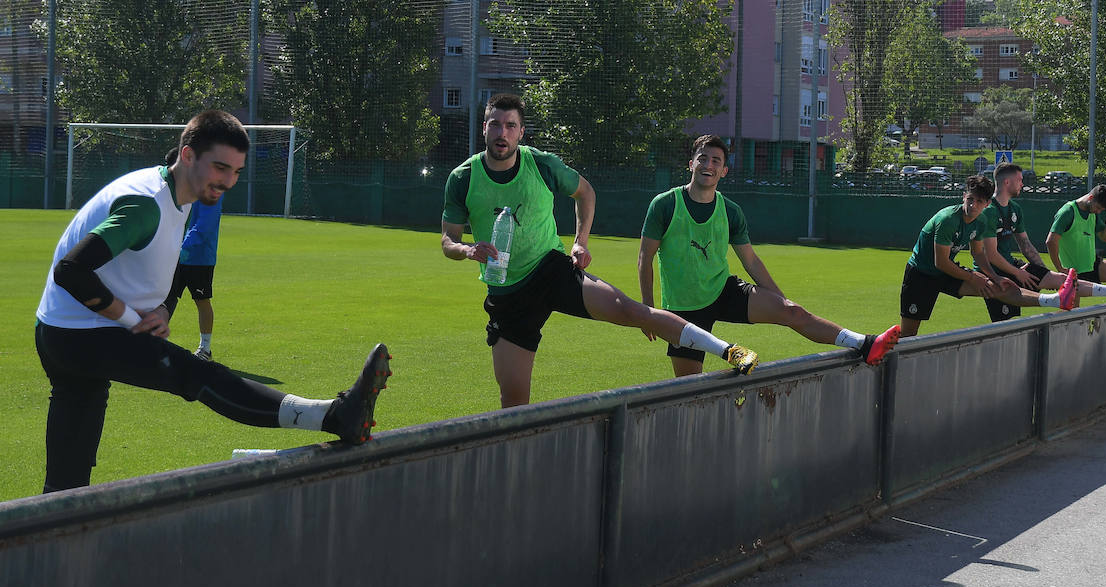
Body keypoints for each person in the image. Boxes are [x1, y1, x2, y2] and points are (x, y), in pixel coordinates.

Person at [35, 110, 388, 493]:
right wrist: (128, 316)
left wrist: (162, 309)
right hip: (79, 334)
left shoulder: (180, 192)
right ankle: (335, 416)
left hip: (65, 331)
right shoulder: (145, 204)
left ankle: (49, 533)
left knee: (69, 475)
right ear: (188, 155)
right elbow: (70, 270)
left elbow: (165, 260)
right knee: (195, 374)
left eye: (236, 171)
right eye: (221, 167)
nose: (228, 181)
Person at [441, 94, 758, 407]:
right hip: (507, 294)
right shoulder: (463, 178)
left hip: (551, 270)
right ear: (484, 128)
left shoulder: (541, 163)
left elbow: (585, 192)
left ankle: (728, 350)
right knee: (513, 402)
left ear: (521, 132)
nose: (502, 133)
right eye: (495, 125)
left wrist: (581, 241)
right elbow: (448, 241)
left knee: (631, 311)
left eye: (511, 126)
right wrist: (467, 250)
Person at [638, 135, 900, 376]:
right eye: (702, 158)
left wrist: (781, 302)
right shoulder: (665, 204)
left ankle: (864, 343)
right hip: (682, 308)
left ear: (724, 171)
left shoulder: (731, 211)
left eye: (716, 160)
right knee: (689, 388)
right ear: (691, 164)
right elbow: (645, 258)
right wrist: (648, 312)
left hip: (722, 291)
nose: (708, 164)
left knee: (794, 313)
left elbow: (750, 260)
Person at [899, 175, 1080, 338]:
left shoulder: (982, 221)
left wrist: (995, 276)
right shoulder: (948, 220)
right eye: (970, 199)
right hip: (921, 274)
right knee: (909, 333)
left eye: (979, 201)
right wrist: (973, 277)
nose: (972, 205)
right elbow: (941, 262)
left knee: (995, 287)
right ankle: (880, 351)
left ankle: (1055, 300)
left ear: (987, 204)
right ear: (964, 196)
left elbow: (977, 252)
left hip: (946, 271)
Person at [976, 163, 1106, 322]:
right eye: (1019, 180)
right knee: (1004, 324)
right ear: (1007, 182)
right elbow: (991, 255)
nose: (1022, 183)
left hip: (1012, 266)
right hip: (992, 272)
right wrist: (1017, 272)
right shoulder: (990, 211)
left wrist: (1044, 272)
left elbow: (1025, 245)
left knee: (1062, 280)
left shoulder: (1015, 209)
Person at [162, 146, 223, 361]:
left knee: (202, 300)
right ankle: (156, 343)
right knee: (165, 298)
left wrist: (182, 249)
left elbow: (204, 226)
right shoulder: (180, 185)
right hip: (176, 254)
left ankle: (205, 349)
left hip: (199, 258)